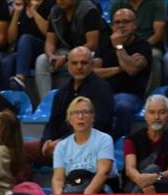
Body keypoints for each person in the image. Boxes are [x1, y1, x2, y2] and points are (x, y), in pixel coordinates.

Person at [23, 46, 113, 170]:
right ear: (68, 66)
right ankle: (26, 182)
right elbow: (52, 123)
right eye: (74, 63)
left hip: (88, 147)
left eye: (84, 63)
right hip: (59, 146)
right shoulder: (62, 92)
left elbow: (97, 125)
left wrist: (62, 143)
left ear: (92, 65)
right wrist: (47, 142)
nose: (79, 67)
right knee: (18, 151)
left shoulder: (102, 89)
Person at [92, 8, 151, 138]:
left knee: (123, 106)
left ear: (134, 25)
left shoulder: (143, 45)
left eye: (125, 22)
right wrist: (120, 68)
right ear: (112, 26)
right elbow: (94, 72)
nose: (121, 26)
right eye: (117, 22)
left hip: (131, 95)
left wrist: (119, 47)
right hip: (105, 93)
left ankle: (119, 142)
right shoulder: (105, 44)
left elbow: (131, 70)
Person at [34, 0, 101, 99]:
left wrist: (67, 58)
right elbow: (50, 41)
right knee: (42, 60)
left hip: (87, 53)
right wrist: (51, 55)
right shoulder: (55, 11)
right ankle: (46, 102)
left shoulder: (89, 10)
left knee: (80, 62)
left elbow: (92, 44)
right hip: (65, 52)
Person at [2, 0, 51, 92]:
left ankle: (20, 77)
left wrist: (34, 11)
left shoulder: (49, 4)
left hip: (43, 48)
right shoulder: (20, 7)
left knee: (26, 38)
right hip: (23, 53)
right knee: (7, 62)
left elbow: (48, 32)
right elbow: (11, 39)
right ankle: (8, 97)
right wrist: (16, 13)